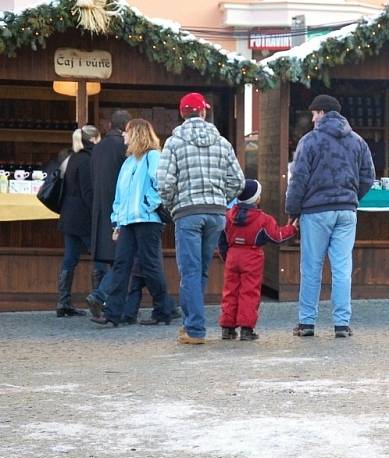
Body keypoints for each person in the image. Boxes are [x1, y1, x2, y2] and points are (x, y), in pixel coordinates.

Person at [157, 92, 245, 344]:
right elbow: (238, 181)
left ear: (182, 113)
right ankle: (192, 324)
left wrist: (174, 205)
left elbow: (163, 182)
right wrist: (219, 199)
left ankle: (194, 329)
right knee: (202, 270)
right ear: (204, 112)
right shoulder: (222, 143)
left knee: (191, 272)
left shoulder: (174, 143)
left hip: (188, 214)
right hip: (216, 214)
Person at [285, 94, 375, 338]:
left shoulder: (310, 141)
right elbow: (369, 176)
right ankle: (341, 324)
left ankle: (306, 323)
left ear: (322, 113)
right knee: (342, 268)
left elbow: (299, 179)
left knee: (312, 267)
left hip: (316, 211)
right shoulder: (357, 141)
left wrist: (293, 211)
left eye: (314, 114)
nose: (312, 119)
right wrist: (352, 196)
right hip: (347, 212)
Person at [90, 119, 176, 327]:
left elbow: (161, 185)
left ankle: (163, 310)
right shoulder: (128, 162)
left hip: (147, 220)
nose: (124, 136)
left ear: (136, 134)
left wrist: (148, 204)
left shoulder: (153, 156)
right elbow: (120, 194)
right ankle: (113, 314)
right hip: (128, 221)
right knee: (121, 265)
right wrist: (117, 222)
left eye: (127, 132)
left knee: (150, 266)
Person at [218, 179, 297, 341]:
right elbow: (278, 237)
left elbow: (222, 241)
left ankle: (227, 329)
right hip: (252, 257)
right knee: (249, 292)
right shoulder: (263, 219)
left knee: (230, 292)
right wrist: (293, 228)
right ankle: (246, 330)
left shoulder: (227, 216)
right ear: (256, 199)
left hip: (232, 256)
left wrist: (227, 257)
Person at [86, 110, 131, 317]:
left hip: (99, 209)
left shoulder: (98, 147)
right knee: (123, 259)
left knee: (109, 259)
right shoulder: (125, 148)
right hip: (120, 209)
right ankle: (103, 297)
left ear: (110, 124)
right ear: (126, 127)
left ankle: (106, 302)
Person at [55, 125, 102, 317]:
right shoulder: (87, 160)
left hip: (69, 217)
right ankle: (98, 300)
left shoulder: (72, 158)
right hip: (84, 218)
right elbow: (88, 192)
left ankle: (63, 302)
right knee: (99, 257)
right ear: (92, 140)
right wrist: (98, 213)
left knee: (70, 259)